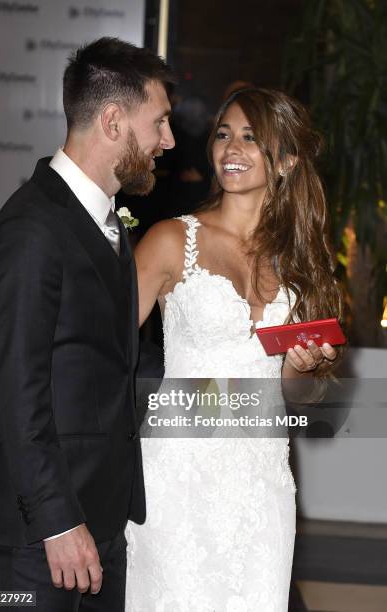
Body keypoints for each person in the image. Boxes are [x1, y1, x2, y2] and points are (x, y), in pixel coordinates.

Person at [0, 37, 174, 611]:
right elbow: (19, 392)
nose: (168, 141)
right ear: (112, 120)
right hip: (34, 540)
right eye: (158, 122)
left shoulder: (108, 223)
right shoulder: (31, 229)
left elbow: (106, 365)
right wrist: (58, 524)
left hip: (98, 527)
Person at [125, 87, 343, 611]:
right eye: (224, 134)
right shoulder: (171, 240)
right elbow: (99, 346)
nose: (231, 149)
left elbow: (304, 396)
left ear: (286, 159)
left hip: (261, 482)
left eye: (251, 137)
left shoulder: (301, 263)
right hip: (177, 475)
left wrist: (302, 368)